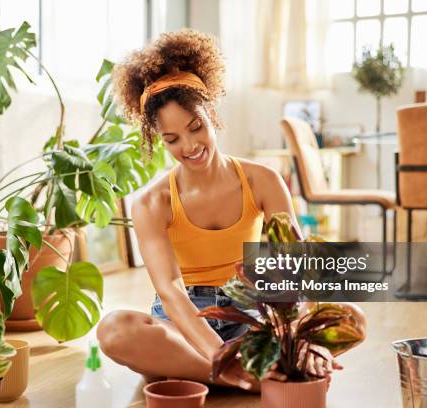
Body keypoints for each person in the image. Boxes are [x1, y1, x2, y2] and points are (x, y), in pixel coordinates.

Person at [96, 29, 366, 392]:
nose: (190, 146)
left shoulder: (263, 180)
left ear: (211, 111)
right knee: (114, 329)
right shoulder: (151, 203)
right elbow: (172, 293)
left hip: (250, 314)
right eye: (172, 139)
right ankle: (248, 376)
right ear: (157, 138)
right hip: (184, 324)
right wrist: (219, 354)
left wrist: (301, 334)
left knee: (352, 318)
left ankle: (198, 373)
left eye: (196, 127)